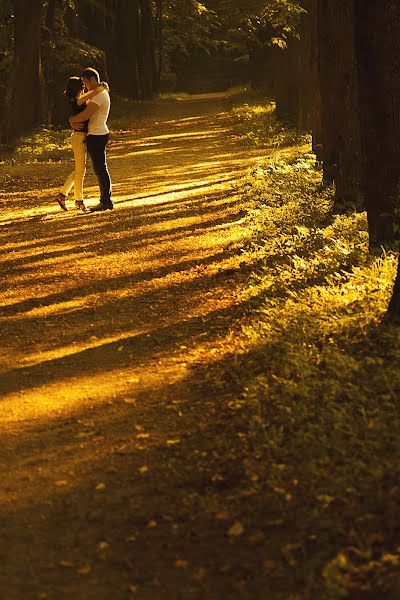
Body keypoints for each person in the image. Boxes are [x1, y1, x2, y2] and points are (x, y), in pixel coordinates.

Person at [54, 76, 107, 212]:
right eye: (82, 85)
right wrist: (101, 88)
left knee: (79, 170)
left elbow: (91, 96)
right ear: (78, 88)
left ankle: (63, 194)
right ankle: (79, 201)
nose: (85, 86)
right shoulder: (77, 101)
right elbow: (93, 94)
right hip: (78, 138)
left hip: (81, 137)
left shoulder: (80, 99)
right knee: (80, 171)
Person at [69, 67, 113, 212]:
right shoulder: (98, 93)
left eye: (86, 82)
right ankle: (105, 200)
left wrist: (71, 120)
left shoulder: (99, 96)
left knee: (100, 170)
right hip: (96, 133)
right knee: (100, 169)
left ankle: (106, 201)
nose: (85, 86)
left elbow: (86, 115)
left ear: (93, 80)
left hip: (97, 134)